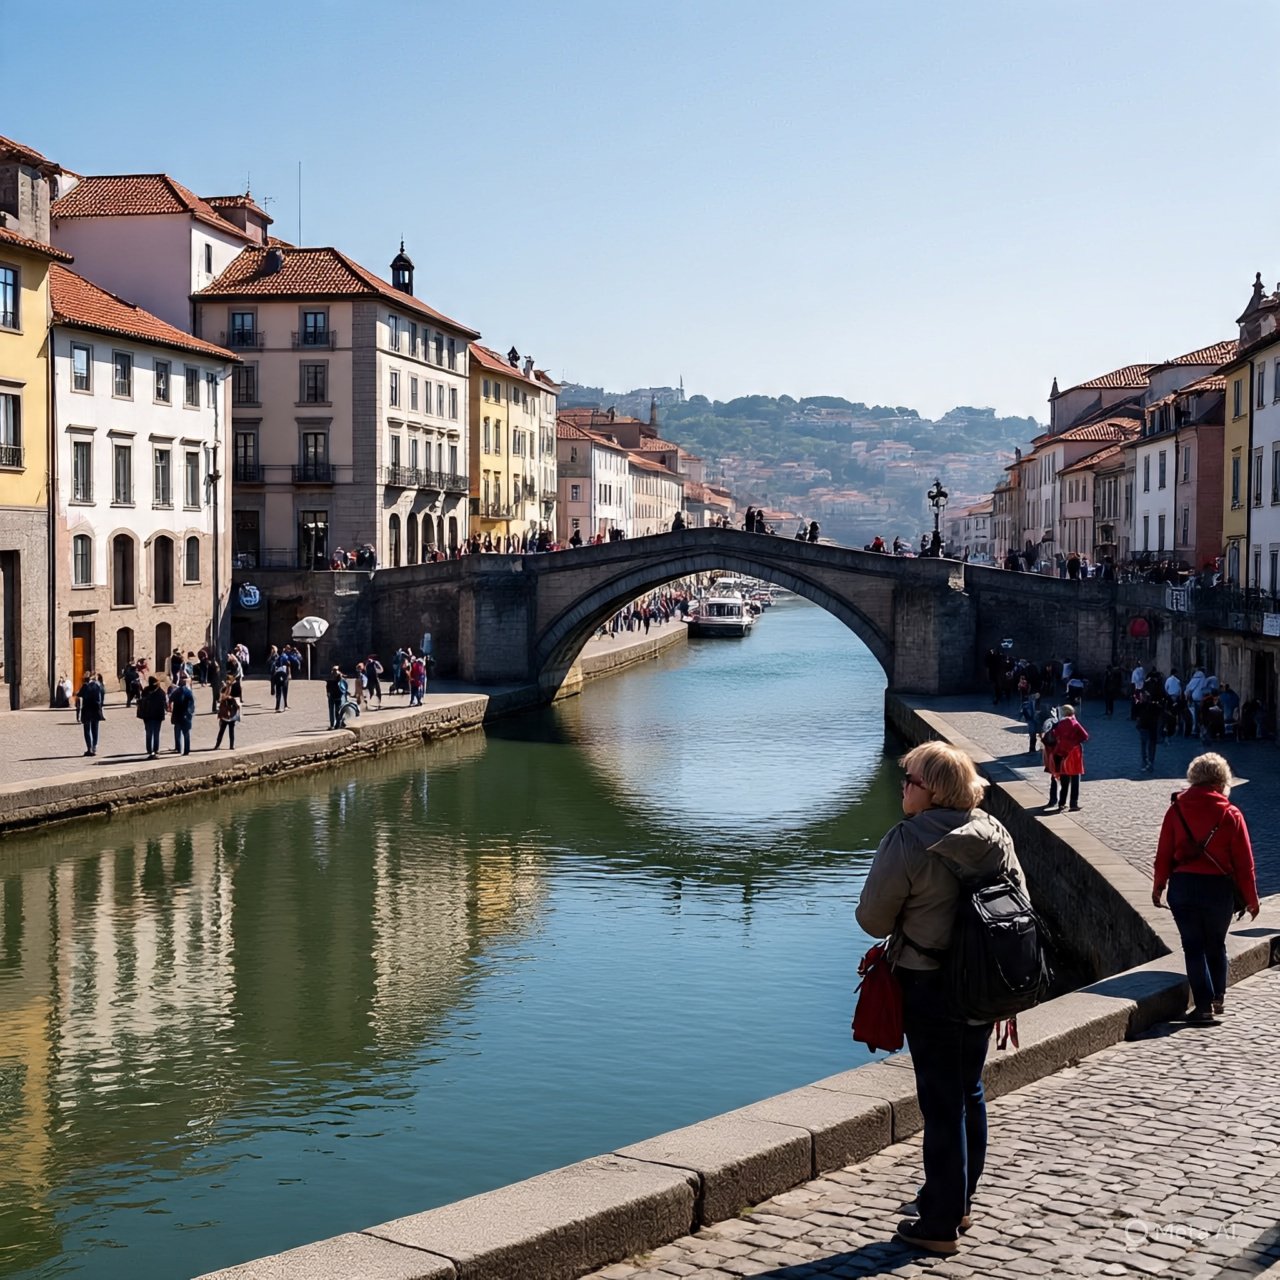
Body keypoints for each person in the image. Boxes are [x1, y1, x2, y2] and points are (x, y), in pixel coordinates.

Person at [855, 741, 1023, 1255]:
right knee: (968, 1089)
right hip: (985, 982)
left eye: (910, 780)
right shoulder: (993, 832)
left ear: (933, 792)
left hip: (929, 982)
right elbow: (1020, 902)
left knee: (941, 1103)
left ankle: (940, 1224)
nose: (902, 786)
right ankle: (961, 1199)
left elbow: (874, 919)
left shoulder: (907, 840)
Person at [1152, 753, 1260, 1024]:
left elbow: (1163, 853)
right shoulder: (1230, 813)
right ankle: (1217, 997)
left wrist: (1158, 886)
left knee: (1193, 947)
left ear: (1193, 777)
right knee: (1215, 943)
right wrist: (1252, 900)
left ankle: (1202, 1007)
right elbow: (1244, 863)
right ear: (1222, 780)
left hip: (1184, 887)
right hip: (1218, 889)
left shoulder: (1176, 809)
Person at [1047, 704, 1088, 812]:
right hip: (1074, 754)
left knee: (1064, 781)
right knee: (1075, 780)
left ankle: (1061, 803)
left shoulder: (1060, 724)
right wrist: (1075, 741)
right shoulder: (1074, 722)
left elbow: (1055, 735)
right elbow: (1085, 736)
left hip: (1062, 753)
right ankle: (1073, 803)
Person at [137, 675, 168, 759]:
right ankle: (156, 749)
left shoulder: (146, 690)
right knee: (156, 733)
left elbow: (141, 700)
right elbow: (165, 703)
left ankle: (149, 749)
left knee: (149, 733)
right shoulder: (160, 692)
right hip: (157, 716)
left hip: (147, 715)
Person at [75, 671, 106, 756]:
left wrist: (77, 692)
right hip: (96, 709)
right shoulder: (98, 685)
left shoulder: (85, 686)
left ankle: (89, 748)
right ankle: (94, 747)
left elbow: (79, 694)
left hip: (87, 709)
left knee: (87, 730)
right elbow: (103, 694)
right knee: (95, 729)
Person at [168, 673, 196, 756]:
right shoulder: (189, 692)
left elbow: (170, 699)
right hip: (187, 715)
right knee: (186, 733)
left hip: (178, 714)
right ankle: (186, 750)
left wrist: (170, 707)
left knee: (177, 732)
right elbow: (192, 704)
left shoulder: (177, 691)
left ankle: (178, 748)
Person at [1135, 689, 1162, 772]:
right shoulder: (1154, 706)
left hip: (1146, 728)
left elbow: (1137, 716)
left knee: (1145, 745)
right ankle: (1149, 761)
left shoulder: (1141, 705)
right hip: (1150, 728)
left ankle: (1146, 761)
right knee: (1149, 746)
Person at [215, 679, 241, 749]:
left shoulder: (233, 689)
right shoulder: (224, 689)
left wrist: (231, 697)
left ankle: (230, 745)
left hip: (231, 713)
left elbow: (237, 699)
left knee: (229, 730)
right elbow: (222, 698)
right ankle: (219, 745)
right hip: (226, 714)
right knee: (223, 730)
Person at [269, 645, 291, 712]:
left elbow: (272, 669)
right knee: (284, 690)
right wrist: (289, 674)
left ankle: (278, 707)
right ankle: (284, 706)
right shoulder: (284, 657)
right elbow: (289, 664)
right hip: (283, 675)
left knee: (279, 691)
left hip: (277, 675)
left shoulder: (275, 658)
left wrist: (272, 686)